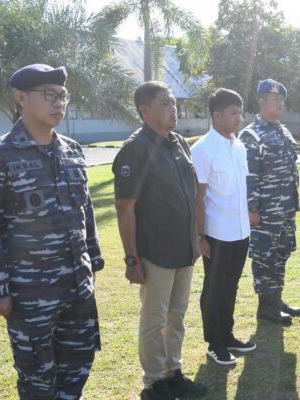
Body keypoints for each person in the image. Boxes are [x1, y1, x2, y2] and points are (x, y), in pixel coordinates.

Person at [0, 64, 104, 399]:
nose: (59, 102)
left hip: (77, 284)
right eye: (49, 95)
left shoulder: (72, 151)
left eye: (63, 96)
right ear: (21, 98)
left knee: (78, 363)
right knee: (36, 375)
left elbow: (85, 211)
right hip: (30, 292)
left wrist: (94, 260)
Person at [113, 81, 206, 400]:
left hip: (184, 249)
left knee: (176, 315)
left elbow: (191, 195)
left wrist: (197, 237)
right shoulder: (135, 149)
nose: (173, 108)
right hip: (155, 252)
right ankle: (154, 383)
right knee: (154, 318)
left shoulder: (179, 142)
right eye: (165, 103)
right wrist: (131, 259)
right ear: (145, 110)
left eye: (174, 103)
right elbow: (125, 209)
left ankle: (172, 372)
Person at [191, 88, 257, 366]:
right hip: (217, 233)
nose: (238, 118)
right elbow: (198, 198)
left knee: (230, 286)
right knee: (214, 288)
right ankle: (214, 343)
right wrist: (200, 237)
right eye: (233, 113)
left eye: (240, 113)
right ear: (216, 115)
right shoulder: (202, 149)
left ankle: (227, 336)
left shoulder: (238, 146)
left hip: (240, 231)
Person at [239, 79, 300, 326]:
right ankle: (266, 308)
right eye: (275, 100)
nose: (280, 104)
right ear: (262, 102)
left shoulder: (282, 131)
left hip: (285, 209)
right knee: (264, 257)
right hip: (265, 212)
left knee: (281, 253)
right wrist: (252, 208)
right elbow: (249, 176)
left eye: (282, 100)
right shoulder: (251, 135)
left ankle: (276, 301)